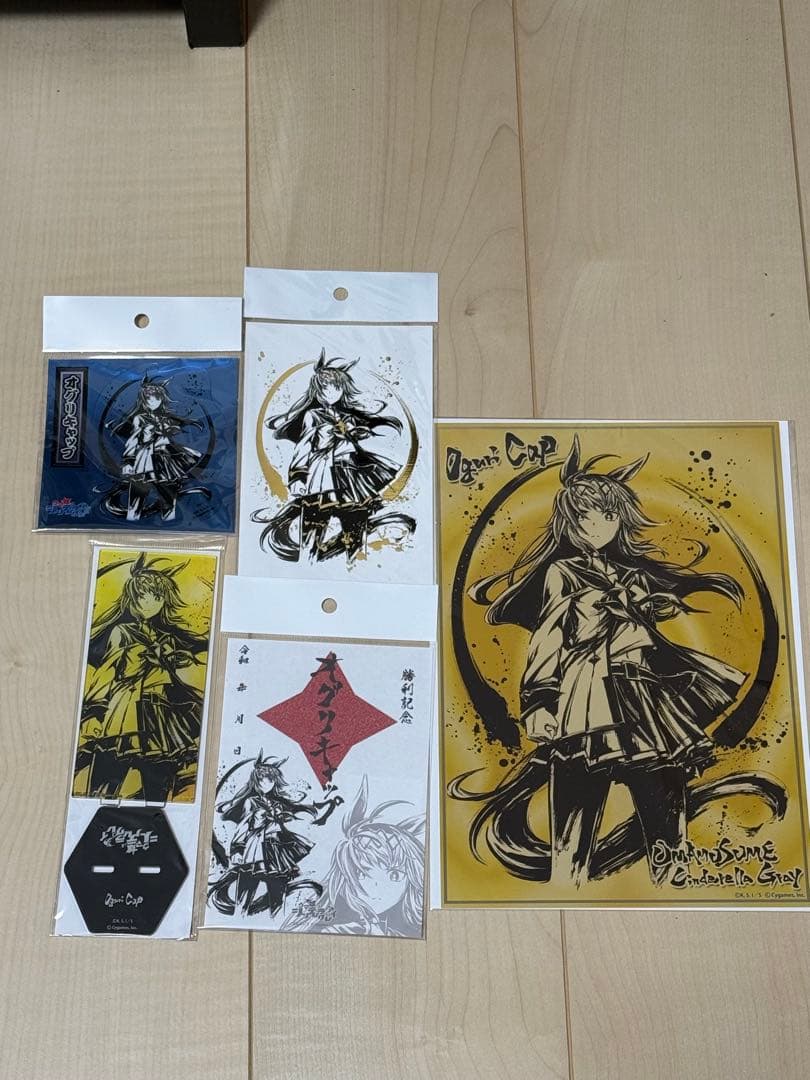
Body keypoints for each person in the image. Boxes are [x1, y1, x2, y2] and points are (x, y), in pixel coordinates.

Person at [458, 436, 747, 886]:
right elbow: (549, 637)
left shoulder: (631, 576)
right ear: (570, 521)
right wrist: (539, 702)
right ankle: (566, 886)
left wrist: (651, 607)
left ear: (619, 519)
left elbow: (643, 632)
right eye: (586, 516)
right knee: (575, 816)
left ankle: (672, 882)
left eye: (608, 515)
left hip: (643, 698)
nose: (598, 524)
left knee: (666, 805)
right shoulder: (563, 572)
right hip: (585, 700)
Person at [251, 350, 415, 561]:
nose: (331, 392)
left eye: (336, 387)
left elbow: (357, 436)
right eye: (326, 388)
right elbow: (304, 446)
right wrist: (298, 476)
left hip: (350, 472)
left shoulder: (347, 415)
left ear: (342, 389)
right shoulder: (312, 415)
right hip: (323, 474)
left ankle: (353, 558)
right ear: (317, 391)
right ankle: (310, 559)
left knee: (355, 521)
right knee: (315, 524)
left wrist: (358, 432)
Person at [76, 554, 208, 802]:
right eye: (143, 596)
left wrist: (174, 659)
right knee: (108, 778)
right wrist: (94, 708)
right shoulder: (122, 631)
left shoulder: (165, 637)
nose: (150, 602)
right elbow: (109, 671)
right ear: (132, 597)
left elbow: (171, 674)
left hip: (159, 712)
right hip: (126, 710)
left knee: (159, 781)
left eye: (157, 597)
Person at [282, 777, 425, 936]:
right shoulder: (332, 928)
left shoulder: (398, 930)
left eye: (395, 875)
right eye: (362, 873)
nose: (376, 887)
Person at [208, 754, 341, 917]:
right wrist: (237, 849)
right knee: (245, 892)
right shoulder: (251, 801)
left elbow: (293, 811)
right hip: (255, 849)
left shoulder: (277, 802)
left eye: (270, 780)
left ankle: (275, 917)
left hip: (276, 850)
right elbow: (243, 826)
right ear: (256, 780)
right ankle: (239, 916)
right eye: (262, 780)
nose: (266, 783)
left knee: (277, 894)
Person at [106, 377, 203, 521]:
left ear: (161, 399)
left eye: (156, 398)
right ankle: (132, 519)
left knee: (168, 494)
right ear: (143, 400)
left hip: (165, 459)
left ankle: (169, 520)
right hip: (145, 458)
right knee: (138, 493)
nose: (152, 402)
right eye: (148, 399)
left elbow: (171, 435)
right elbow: (134, 440)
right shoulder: (140, 418)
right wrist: (128, 461)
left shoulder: (165, 418)